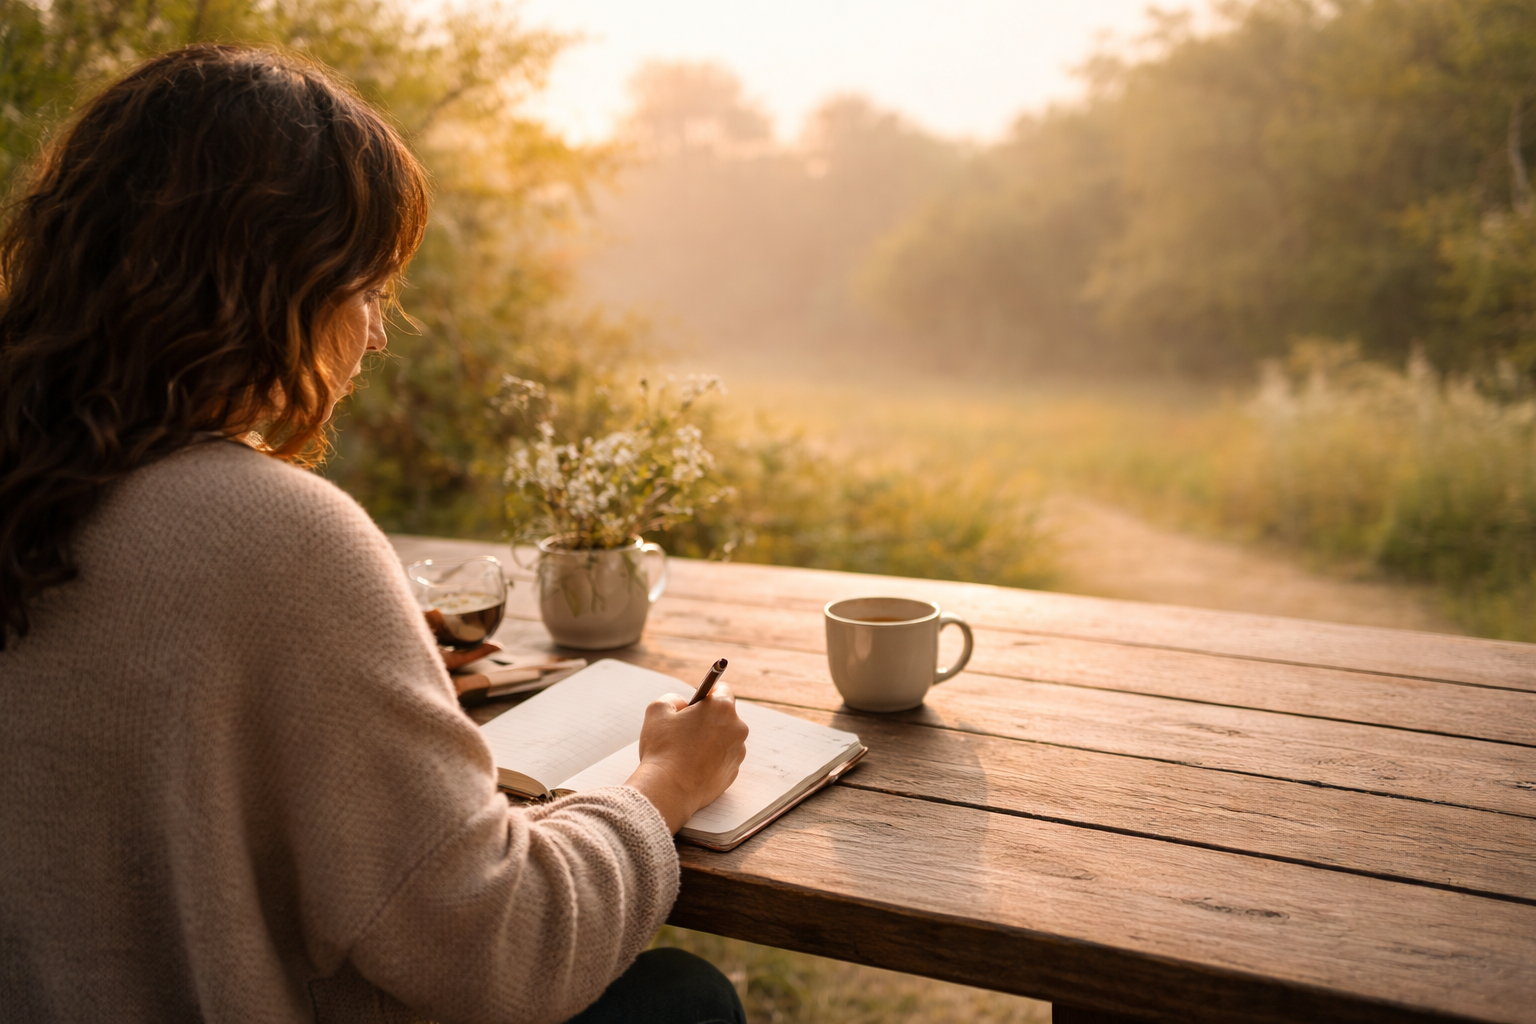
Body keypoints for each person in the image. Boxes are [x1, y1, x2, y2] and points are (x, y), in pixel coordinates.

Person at [0, 44, 750, 1024]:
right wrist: (667, 781)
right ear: (265, 288)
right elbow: (504, 944)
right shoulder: (277, 534)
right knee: (683, 1002)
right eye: (366, 288)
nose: (377, 333)